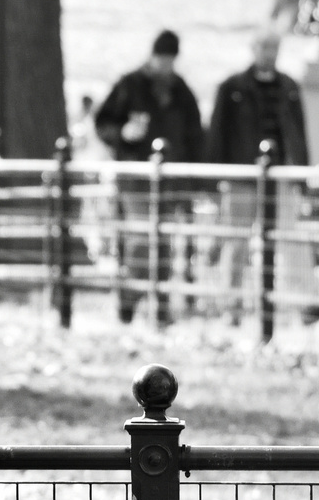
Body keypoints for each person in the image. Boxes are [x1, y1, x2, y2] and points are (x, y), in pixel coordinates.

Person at [94, 29, 204, 322]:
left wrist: (194, 180)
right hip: (135, 176)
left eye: (170, 60)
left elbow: (194, 134)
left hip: (171, 179)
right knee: (142, 239)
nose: (166, 65)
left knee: (164, 244)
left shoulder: (181, 90)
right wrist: (123, 134)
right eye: (162, 58)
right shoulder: (130, 85)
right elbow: (103, 123)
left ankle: (160, 306)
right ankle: (129, 300)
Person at [206, 29, 310, 322]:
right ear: (254, 48)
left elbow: (298, 135)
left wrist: (302, 178)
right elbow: (217, 134)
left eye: (274, 47)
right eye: (265, 46)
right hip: (242, 178)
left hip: (280, 178)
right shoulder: (232, 87)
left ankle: (302, 305)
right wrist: (215, 179)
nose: (269, 52)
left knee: (290, 242)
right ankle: (232, 308)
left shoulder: (289, 86)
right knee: (236, 244)